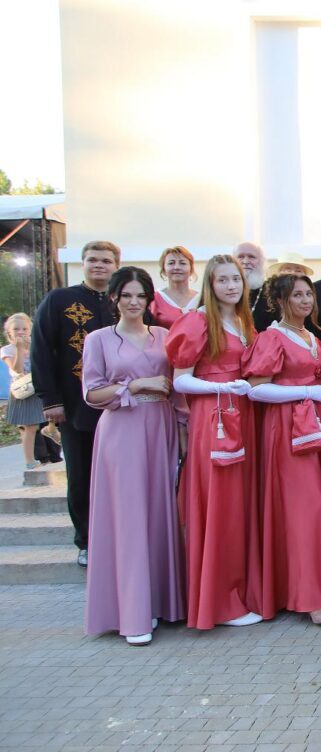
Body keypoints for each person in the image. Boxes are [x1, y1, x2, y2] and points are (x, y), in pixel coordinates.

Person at [82, 266, 185, 645]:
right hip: (121, 429)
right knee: (127, 517)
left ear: (148, 299)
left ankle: (159, 603)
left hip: (161, 427)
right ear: (115, 298)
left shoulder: (163, 335)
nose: (133, 302)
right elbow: (92, 394)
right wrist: (137, 383)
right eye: (126, 295)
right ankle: (132, 613)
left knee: (159, 512)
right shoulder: (99, 340)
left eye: (140, 295)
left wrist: (184, 429)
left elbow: (177, 389)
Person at [165, 254, 263, 630]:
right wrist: (221, 386)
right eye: (222, 280)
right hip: (215, 418)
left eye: (235, 279)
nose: (231, 286)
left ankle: (239, 592)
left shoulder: (241, 321)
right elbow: (181, 380)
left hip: (243, 415)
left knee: (239, 507)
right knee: (221, 508)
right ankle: (220, 602)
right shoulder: (198, 321)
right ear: (210, 283)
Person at [244, 273, 321, 625]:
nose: (305, 300)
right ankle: (309, 596)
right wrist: (305, 393)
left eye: (308, 295)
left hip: (315, 426)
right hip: (287, 430)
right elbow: (255, 389)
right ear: (280, 301)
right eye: (297, 295)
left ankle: (320, 586)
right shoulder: (271, 338)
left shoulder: (312, 336)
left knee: (318, 505)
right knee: (304, 509)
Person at [31, 240, 120, 567]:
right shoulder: (61, 300)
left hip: (119, 405)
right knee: (81, 474)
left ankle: (115, 536)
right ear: (82, 263)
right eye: (93, 260)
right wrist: (50, 400)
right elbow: (41, 350)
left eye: (106, 260)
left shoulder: (122, 301)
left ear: (115, 265)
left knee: (115, 475)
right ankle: (85, 540)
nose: (99, 265)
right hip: (75, 404)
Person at [3, 313, 48, 469]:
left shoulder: (37, 344)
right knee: (29, 426)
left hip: (40, 386)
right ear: (9, 333)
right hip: (24, 391)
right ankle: (29, 461)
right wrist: (19, 349)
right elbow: (17, 368)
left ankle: (54, 447)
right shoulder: (7, 350)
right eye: (16, 329)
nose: (21, 332)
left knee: (53, 419)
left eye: (24, 328)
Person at [150, 246, 199, 329]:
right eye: (171, 263)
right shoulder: (154, 299)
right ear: (164, 269)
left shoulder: (202, 298)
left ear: (191, 268)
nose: (177, 267)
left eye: (182, 263)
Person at [234, 241, 276, 332]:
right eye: (240, 257)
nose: (245, 261)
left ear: (261, 261)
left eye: (251, 257)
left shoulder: (273, 291)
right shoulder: (223, 291)